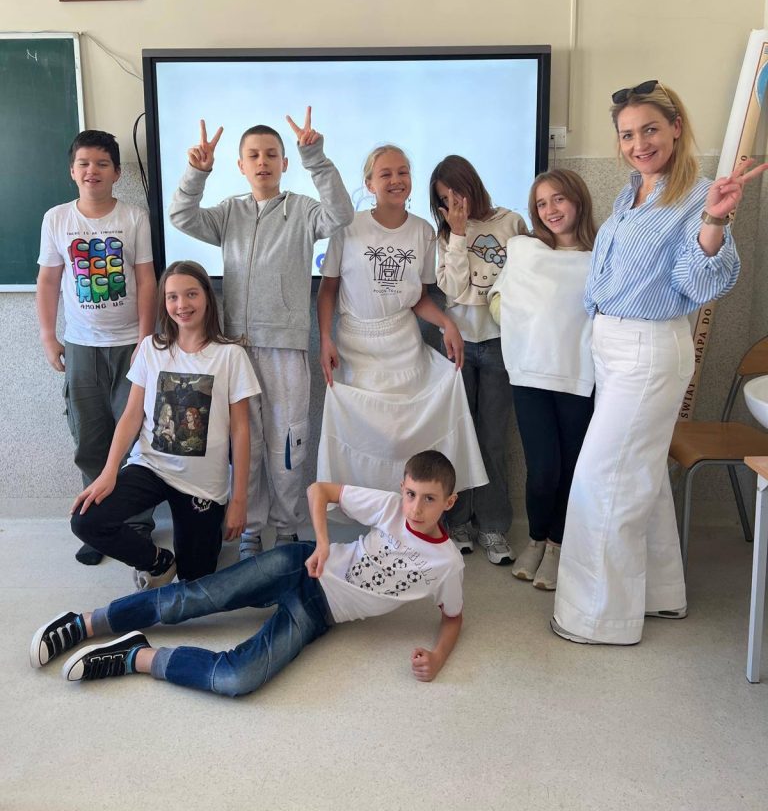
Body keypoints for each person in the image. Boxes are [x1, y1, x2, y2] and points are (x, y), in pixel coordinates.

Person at [551, 80, 768, 645]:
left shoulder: (699, 195)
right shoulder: (632, 194)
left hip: (648, 349)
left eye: (649, 129)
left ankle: (597, 618)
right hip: (614, 346)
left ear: (676, 127)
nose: (638, 144)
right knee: (638, 471)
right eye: (627, 135)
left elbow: (697, 282)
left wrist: (715, 221)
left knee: (603, 478)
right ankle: (659, 594)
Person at [31, 451, 464, 695]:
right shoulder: (390, 507)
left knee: (238, 678)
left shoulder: (447, 564)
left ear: (449, 501)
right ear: (402, 488)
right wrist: (323, 542)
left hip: (319, 612)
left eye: (429, 499)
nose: (415, 507)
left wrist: (439, 656)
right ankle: (86, 623)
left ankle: (134, 656)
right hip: (300, 563)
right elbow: (320, 490)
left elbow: (453, 617)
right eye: (410, 494)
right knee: (193, 598)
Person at [169, 109, 354, 558]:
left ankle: (287, 529)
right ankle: (251, 529)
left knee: (287, 443)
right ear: (241, 165)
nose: (263, 161)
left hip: (285, 349)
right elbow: (180, 215)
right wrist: (197, 171)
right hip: (235, 350)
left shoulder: (303, 210)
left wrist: (315, 156)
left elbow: (341, 213)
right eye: (253, 155)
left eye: (271, 154)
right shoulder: (228, 212)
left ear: (285, 162)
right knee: (245, 446)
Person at [70, 260, 260, 589]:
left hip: (202, 487)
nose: (182, 304)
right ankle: (158, 561)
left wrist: (240, 500)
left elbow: (241, 432)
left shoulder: (230, 355)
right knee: (86, 520)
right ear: (164, 302)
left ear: (207, 297)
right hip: (151, 467)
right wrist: (109, 471)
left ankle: (203, 536)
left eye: (191, 294)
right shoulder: (151, 348)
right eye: (172, 297)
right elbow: (131, 415)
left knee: (195, 582)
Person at [316, 145, 488, 495]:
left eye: (403, 172)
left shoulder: (423, 232)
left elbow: (419, 298)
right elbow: (328, 289)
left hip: (405, 346)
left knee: (407, 441)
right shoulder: (348, 228)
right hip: (356, 348)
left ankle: (413, 512)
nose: (396, 180)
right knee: (371, 439)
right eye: (386, 174)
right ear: (369, 184)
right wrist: (324, 338)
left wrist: (447, 324)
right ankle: (372, 512)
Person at [36, 130, 157, 566]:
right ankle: (97, 520)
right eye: (84, 163)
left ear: (117, 173)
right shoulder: (57, 219)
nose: (93, 171)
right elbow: (48, 280)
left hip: (130, 345)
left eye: (102, 164)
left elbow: (146, 280)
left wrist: (146, 340)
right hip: (81, 346)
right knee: (89, 438)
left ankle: (136, 522)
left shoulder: (134, 217)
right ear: (72, 171)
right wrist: (49, 336)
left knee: (133, 436)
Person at [488, 169, 596, 590]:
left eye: (559, 199)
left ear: (578, 200)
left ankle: (556, 546)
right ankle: (535, 539)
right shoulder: (525, 250)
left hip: (579, 376)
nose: (550, 209)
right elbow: (500, 297)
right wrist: (516, 316)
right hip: (530, 375)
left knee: (571, 468)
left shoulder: (599, 254)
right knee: (543, 469)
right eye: (541, 203)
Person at [429, 155, 527, 565]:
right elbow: (451, 288)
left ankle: (493, 525)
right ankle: (458, 522)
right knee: (458, 436)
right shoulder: (445, 234)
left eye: (457, 193)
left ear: (471, 185)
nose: (453, 203)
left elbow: (527, 280)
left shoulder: (511, 223)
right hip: (459, 347)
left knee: (492, 438)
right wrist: (456, 233)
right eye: (443, 199)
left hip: (501, 344)